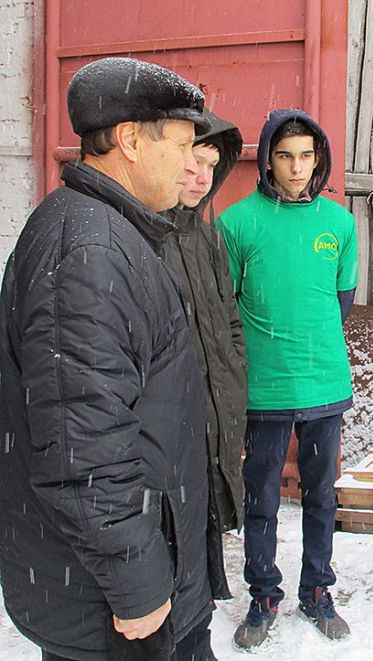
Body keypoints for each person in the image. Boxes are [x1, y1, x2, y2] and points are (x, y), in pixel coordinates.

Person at [0, 57, 221, 660]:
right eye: (179, 143)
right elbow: (82, 447)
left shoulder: (111, 231)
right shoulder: (88, 249)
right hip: (114, 611)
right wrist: (139, 589)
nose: (189, 162)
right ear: (128, 140)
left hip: (128, 584)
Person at [217, 109, 358, 649]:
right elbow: (226, 310)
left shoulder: (339, 224)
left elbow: (341, 303)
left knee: (322, 496)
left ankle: (318, 591)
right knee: (263, 499)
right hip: (266, 390)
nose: (297, 168)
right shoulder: (238, 223)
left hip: (324, 386)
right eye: (285, 156)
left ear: (318, 157)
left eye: (306, 155)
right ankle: (263, 595)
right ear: (267, 160)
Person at [162, 109, 248, 563]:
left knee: (205, 549)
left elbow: (230, 322)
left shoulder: (209, 238)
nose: (201, 179)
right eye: (192, 164)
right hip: (174, 431)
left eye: (212, 167)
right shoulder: (142, 238)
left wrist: (235, 389)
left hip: (220, 418)